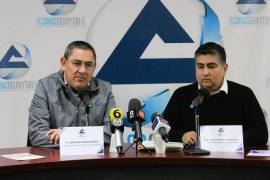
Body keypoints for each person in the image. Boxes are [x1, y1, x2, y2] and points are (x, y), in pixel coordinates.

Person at [163, 42, 268, 147]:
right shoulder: (182, 94)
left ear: (225, 68)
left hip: (232, 161)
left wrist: (228, 140)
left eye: (211, 66)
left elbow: (261, 134)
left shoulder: (243, 94)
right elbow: (162, 129)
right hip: (191, 161)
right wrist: (182, 136)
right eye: (200, 67)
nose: (205, 72)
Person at [28, 41, 115, 147]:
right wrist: (86, 138)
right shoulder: (46, 87)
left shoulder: (105, 89)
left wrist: (67, 136)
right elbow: (37, 135)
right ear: (63, 63)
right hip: (56, 160)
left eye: (88, 65)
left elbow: (114, 132)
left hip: (93, 160)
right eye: (77, 63)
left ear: (94, 67)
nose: (83, 70)